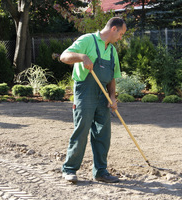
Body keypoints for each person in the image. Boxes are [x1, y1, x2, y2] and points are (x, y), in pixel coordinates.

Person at [60, 17, 127, 183]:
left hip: (102, 94)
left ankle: (101, 172)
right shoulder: (87, 40)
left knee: (103, 133)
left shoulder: (112, 51)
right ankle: (69, 169)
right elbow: (64, 56)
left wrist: (112, 97)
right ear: (113, 29)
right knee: (82, 130)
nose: (121, 38)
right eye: (121, 34)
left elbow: (112, 78)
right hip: (85, 92)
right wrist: (82, 57)